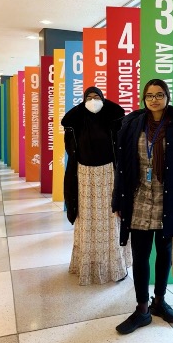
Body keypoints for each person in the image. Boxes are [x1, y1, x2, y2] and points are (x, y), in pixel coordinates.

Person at [112, 78, 173, 334]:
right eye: (150, 95)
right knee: (140, 255)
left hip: (168, 198)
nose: (155, 99)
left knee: (164, 252)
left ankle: (160, 301)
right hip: (139, 196)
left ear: (168, 96)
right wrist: (117, 199)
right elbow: (121, 165)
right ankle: (142, 308)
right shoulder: (132, 123)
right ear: (144, 98)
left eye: (160, 94)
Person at [61, 86, 132, 285]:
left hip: (109, 174)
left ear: (103, 99)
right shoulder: (76, 123)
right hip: (84, 176)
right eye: (89, 97)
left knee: (110, 218)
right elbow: (71, 148)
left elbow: (121, 144)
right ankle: (88, 265)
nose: (93, 101)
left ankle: (114, 265)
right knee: (87, 219)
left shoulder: (113, 120)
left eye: (97, 97)